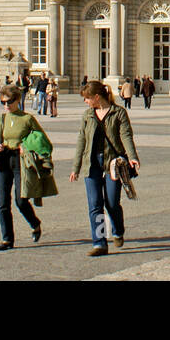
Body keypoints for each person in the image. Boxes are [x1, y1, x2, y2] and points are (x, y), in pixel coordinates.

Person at [70, 81, 140, 257]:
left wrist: (132, 157)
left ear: (96, 97)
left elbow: (126, 136)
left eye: (87, 99)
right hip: (91, 164)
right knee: (95, 205)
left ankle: (118, 230)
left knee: (111, 203)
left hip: (113, 164)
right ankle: (99, 243)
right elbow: (81, 141)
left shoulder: (118, 113)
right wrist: (76, 167)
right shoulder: (87, 115)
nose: (85, 102)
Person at [0, 84, 45, 252]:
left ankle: (35, 223)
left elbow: (40, 138)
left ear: (17, 100)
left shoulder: (27, 119)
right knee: (3, 202)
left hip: (20, 160)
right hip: (4, 159)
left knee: (21, 201)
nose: (6, 105)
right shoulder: (2, 119)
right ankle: (7, 239)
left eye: (9, 101)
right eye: (3, 102)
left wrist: (27, 145)